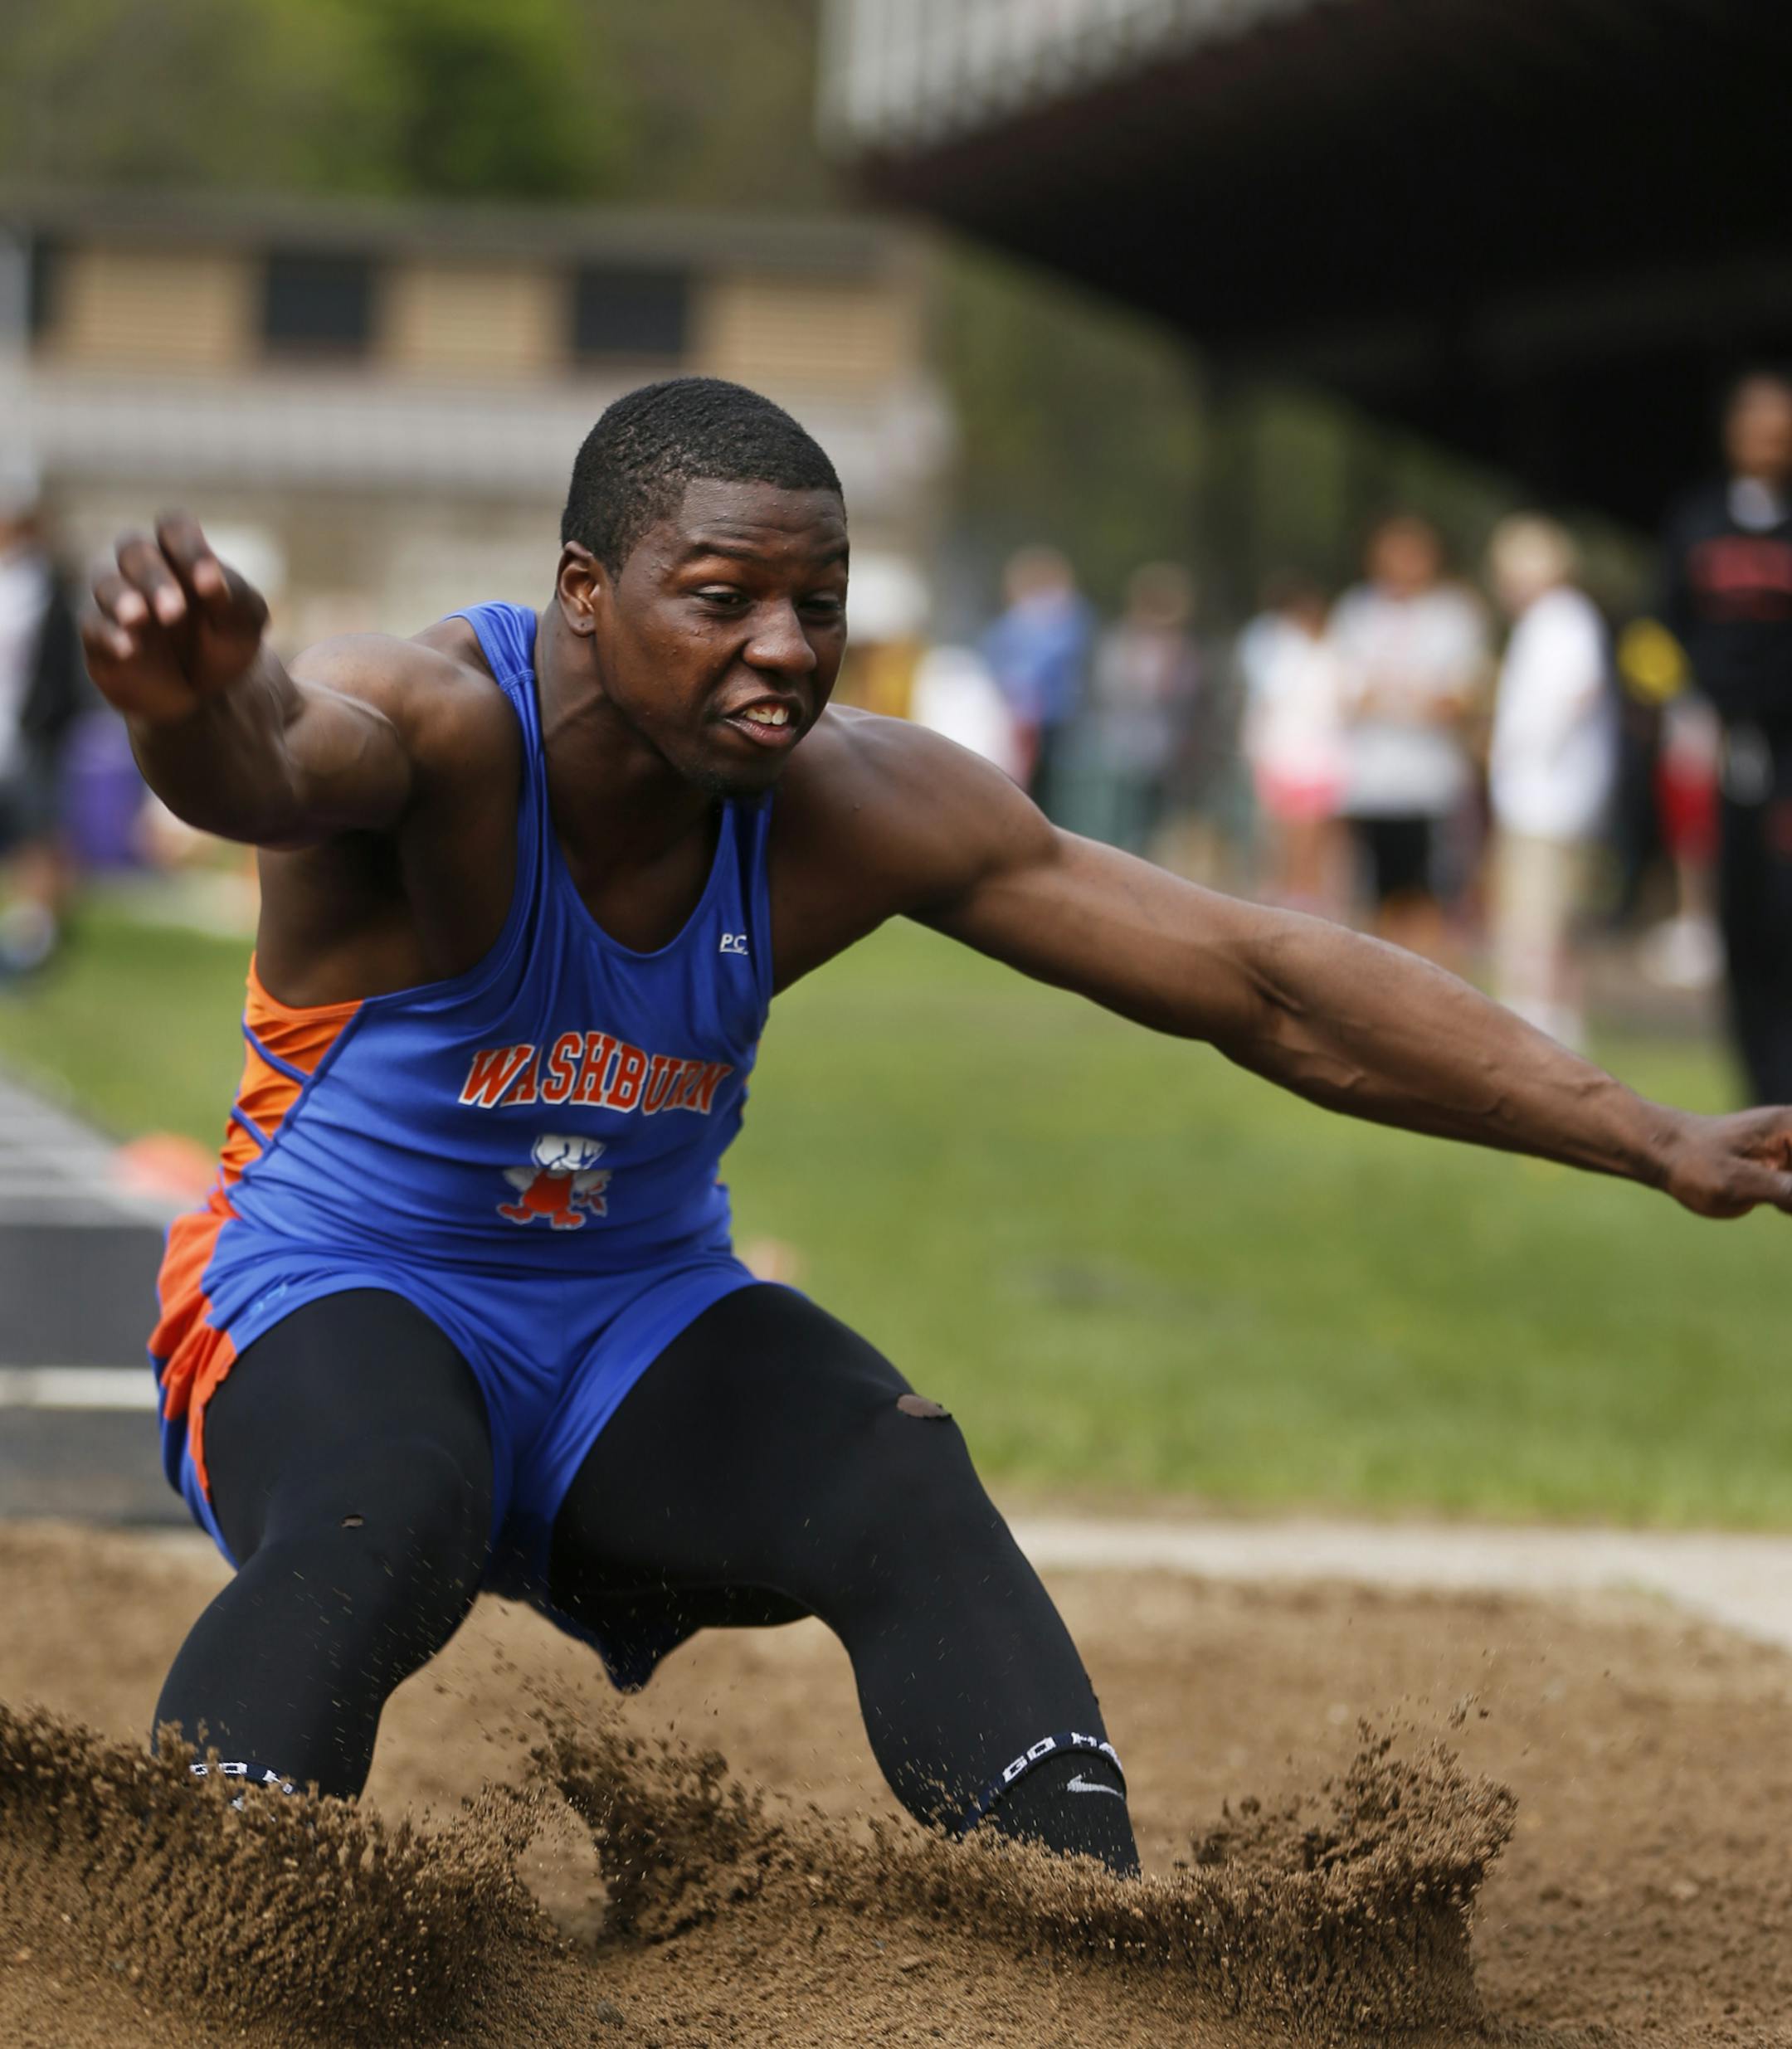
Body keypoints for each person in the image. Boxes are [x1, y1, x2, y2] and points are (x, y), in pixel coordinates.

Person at [83, 378, 1792, 1880]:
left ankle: (1078, 1942)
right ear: (584, 597)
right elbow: (275, 757)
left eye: (817, 603)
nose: (784, 647)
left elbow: (1262, 981)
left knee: (903, 1476)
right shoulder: (450, 724)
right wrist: (186, 702)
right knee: (398, 1497)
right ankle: (221, 1914)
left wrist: (1649, 1133)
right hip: (327, 1291)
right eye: (724, 597)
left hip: (631, 1319)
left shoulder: (856, 802)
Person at [1656, 368, 1792, 1102]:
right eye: (1758, 422)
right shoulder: (1697, 521)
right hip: (1718, 749)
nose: (1770, 437)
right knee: (1736, 917)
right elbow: (1661, 629)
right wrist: (1685, 701)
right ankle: (1760, 1090)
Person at [1484, 516, 1616, 1050]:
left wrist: (1523, 747)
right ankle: (1544, 1011)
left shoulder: (1563, 619)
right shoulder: (1552, 620)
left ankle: (1537, 1019)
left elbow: (1574, 693)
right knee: (1542, 912)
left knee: (1540, 913)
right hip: (1544, 794)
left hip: (1548, 796)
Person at [1330, 514, 1488, 956]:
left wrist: (1394, 697)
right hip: (1372, 783)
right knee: (1377, 896)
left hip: (1429, 785)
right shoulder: (1356, 612)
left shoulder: (1453, 617)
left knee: (1429, 896)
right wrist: (1413, 698)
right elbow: (1347, 695)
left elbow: (1458, 700)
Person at [0, 466, 84, 976]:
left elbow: (61, 666)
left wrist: (50, 719)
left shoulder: (47, 583)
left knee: (38, 836)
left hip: (30, 733)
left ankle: (37, 939)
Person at [1237, 572, 1346, 915]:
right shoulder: (1278, 652)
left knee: (1312, 838)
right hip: (1284, 759)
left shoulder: (1329, 655)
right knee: (1283, 838)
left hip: (1316, 761)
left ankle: (1306, 899)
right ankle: (1287, 898)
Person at [1084, 562, 1200, 858]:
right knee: (1117, 817)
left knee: (1155, 820)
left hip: (1164, 748)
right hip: (1121, 745)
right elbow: (1108, 688)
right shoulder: (1120, 643)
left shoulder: (1181, 649)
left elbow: (1188, 695)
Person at [980, 544, 1093, 819]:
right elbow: (993, 655)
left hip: (1053, 716)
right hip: (1019, 717)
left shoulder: (1068, 620)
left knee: (1051, 785)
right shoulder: (1014, 624)